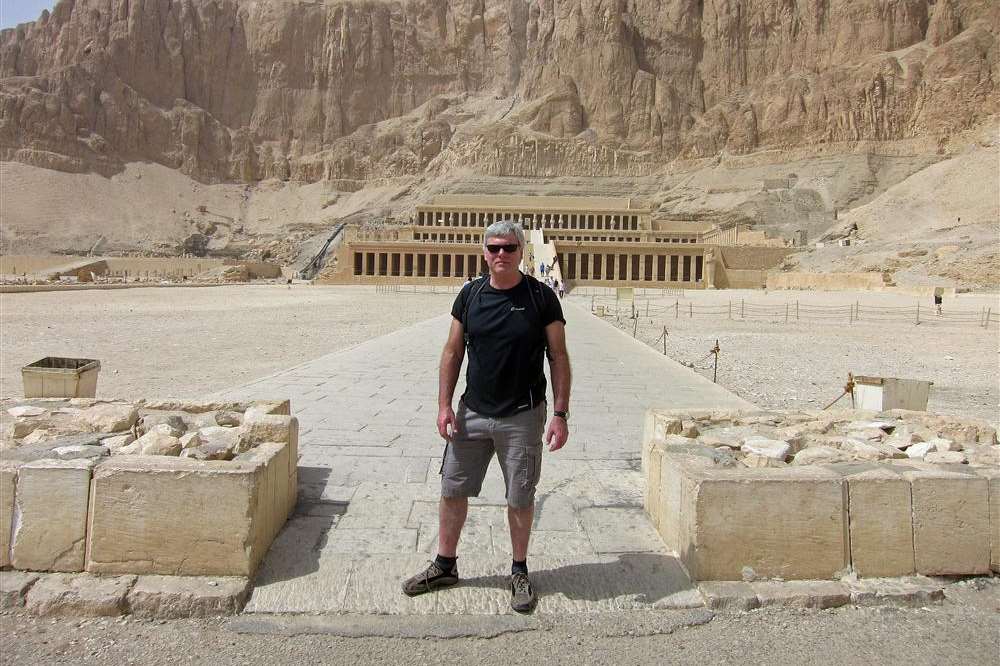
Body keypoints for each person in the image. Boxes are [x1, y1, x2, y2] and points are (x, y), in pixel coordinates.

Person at [402, 220, 572, 613]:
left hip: (523, 415)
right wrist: (444, 404)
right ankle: (445, 564)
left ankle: (518, 570)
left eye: (509, 248)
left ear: (522, 251)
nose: (501, 254)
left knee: (519, 496)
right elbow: (452, 352)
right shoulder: (470, 295)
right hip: (472, 411)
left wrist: (559, 413)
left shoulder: (542, 298)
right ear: (484, 252)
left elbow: (558, 357)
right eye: (494, 247)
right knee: (451, 488)